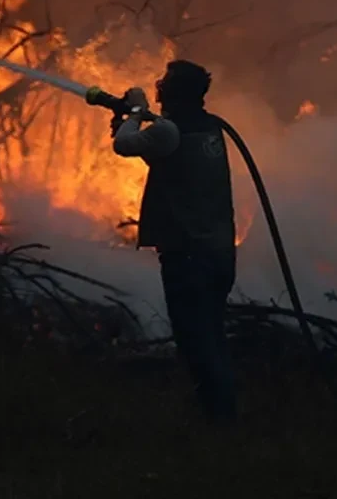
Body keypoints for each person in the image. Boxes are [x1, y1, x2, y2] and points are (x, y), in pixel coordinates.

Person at [110, 60, 238, 424]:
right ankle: (222, 414)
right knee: (212, 335)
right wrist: (134, 120)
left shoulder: (171, 130)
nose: (158, 85)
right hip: (218, 252)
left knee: (196, 342)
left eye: (164, 82)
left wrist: (135, 111)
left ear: (172, 91)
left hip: (188, 256)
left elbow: (125, 146)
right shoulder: (211, 127)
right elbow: (162, 153)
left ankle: (219, 422)